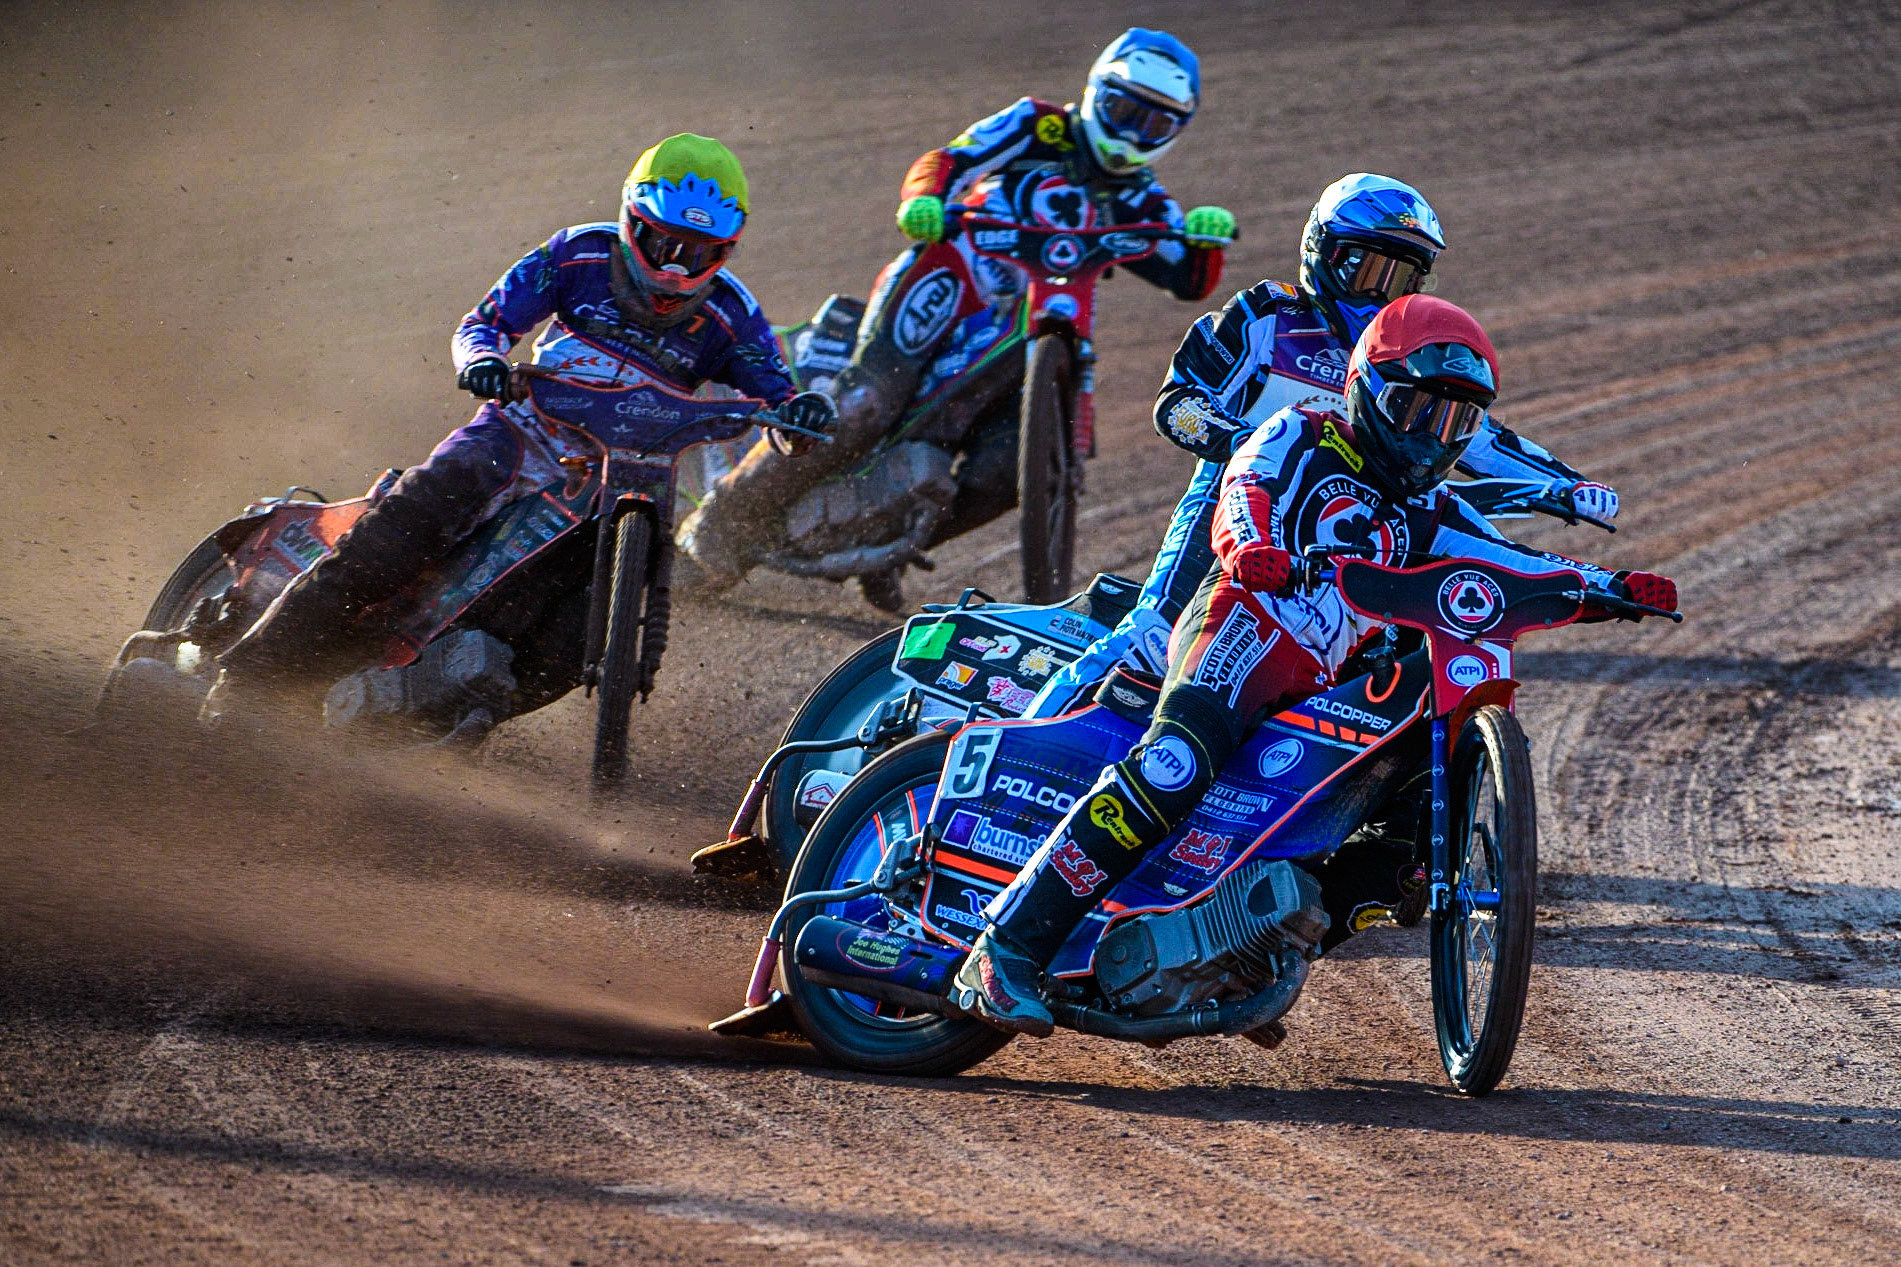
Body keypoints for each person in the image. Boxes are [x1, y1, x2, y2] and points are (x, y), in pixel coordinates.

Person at [953, 295, 1678, 1035]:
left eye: (1455, 420)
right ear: (1366, 387)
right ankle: (1003, 945)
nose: (1434, 436)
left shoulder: (1436, 508)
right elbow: (1244, 491)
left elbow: (1515, 563)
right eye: (1417, 408)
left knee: (1403, 843)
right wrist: (1253, 548)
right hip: (1241, 625)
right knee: (1172, 764)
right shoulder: (1300, 432)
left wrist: (1612, 587)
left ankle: (1240, 954)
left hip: (1323, 678)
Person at [205, 135, 835, 717]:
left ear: (728, 249)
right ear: (631, 222)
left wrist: (800, 416)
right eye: (664, 245)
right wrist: (481, 360)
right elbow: (483, 323)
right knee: (396, 537)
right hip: (520, 433)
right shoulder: (575, 254)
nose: (676, 270)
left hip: (622, 487)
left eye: (702, 254)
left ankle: (435, 713)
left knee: (586, 630)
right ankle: (244, 681)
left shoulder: (734, 315)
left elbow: (779, 397)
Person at [676, 28, 1236, 610]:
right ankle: (716, 528)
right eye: (1121, 109)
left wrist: (1208, 237)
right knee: (864, 405)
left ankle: (887, 546)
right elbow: (950, 159)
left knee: (1011, 472)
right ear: (1095, 92)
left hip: (1037, 332)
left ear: (1176, 132)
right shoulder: (1036, 126)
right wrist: (924, 197)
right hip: (950, 277)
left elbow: (1190, 277)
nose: (1130, 132)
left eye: (1153, 124)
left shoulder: (1144, 201)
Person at [1023, 172, 1619, 718]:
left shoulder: (1405, 356)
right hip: (1241, 504)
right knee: (1151, 636)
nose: (1381, 295)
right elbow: (1179, 402)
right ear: (1325, 254)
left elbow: (1481, 438)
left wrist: (1567, 486)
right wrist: (1248, 446)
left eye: (1401, 280)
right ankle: (1022, 732)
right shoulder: (1267, 314)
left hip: (1364, 524)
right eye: (1369, 272)